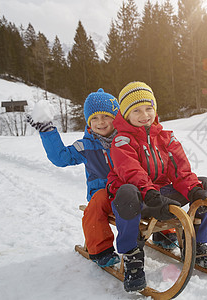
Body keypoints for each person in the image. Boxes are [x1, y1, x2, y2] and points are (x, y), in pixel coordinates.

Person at [107, 81, 207, 292]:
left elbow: (181, 171)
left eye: (148, 108)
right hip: (137, 198)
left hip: (161, 195)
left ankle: (196, 246)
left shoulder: (166, 137)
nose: (145, 115)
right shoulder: (121, 141)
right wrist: (149, 192)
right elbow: (131, 171)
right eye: (136, 110)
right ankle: (132, 257)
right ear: (125, 115)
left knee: (204, 184)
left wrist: (193, 189)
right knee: (126, 192)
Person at [27, 88, 122, 268]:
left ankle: (165, 233)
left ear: (116, 117)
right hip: (103, 196)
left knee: (155, 193)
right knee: (94, 208)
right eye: (94, 118)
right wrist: (47, 131)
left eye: (105, 116)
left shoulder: (126, 141)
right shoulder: (85, 146)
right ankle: (102, 251)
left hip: (126, 192)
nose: (100, 122)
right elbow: (61, 157)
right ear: (88, 122)